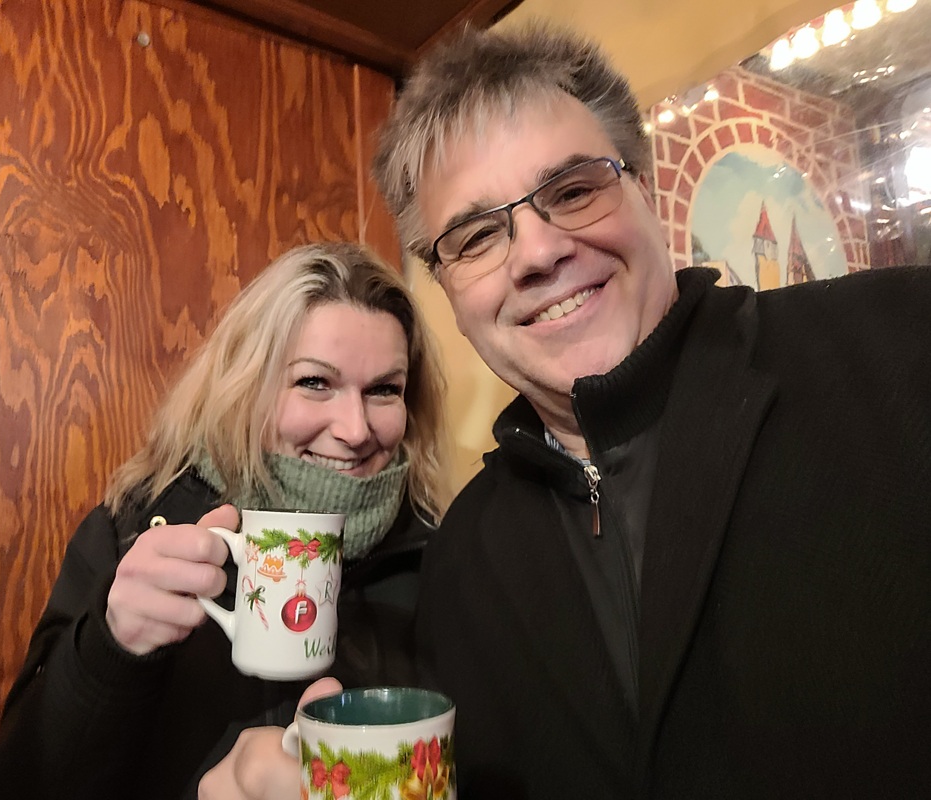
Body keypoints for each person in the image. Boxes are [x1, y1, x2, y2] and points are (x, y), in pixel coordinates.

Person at [365, 21, 931, 799]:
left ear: (646, 189)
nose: (537, 253)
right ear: (448, 291)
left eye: (572, 192)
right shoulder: (460, 562)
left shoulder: (901, 349)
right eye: (475, 236)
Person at [0, 241, 451, 800]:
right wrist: (111, 648)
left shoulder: (439, 555)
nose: (356, 429)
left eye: (384, 390)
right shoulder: (134, 532)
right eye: (314, 382)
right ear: (246, 384)